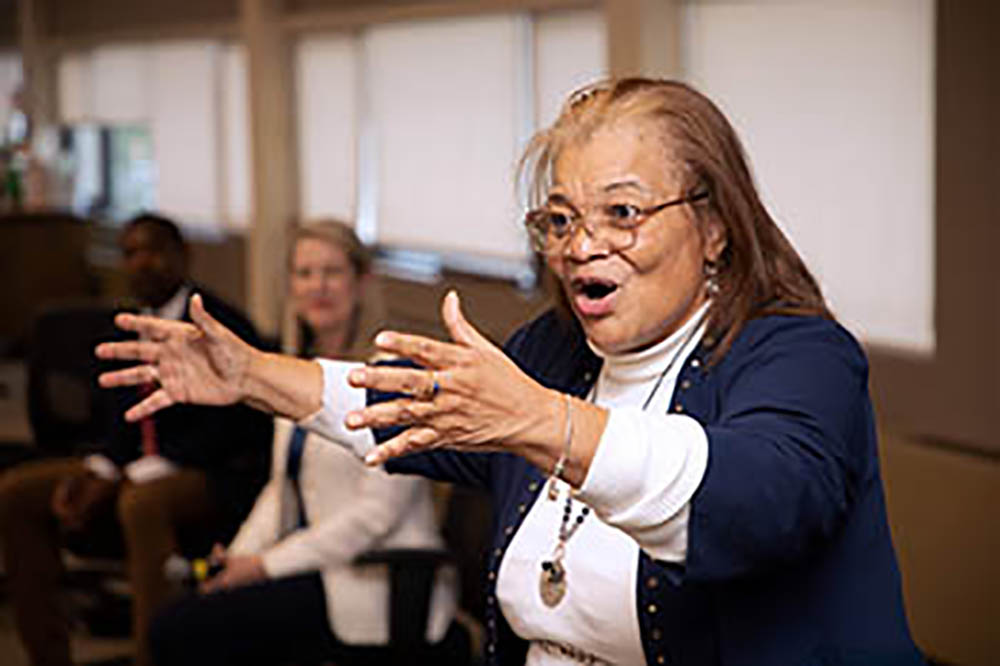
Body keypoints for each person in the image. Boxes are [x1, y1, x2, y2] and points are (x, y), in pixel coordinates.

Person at [96, 80, 924, 666]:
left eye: (622, 214)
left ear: (713, 228)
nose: (581, 245)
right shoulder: (558, 350)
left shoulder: (799, 355)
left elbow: (755, 503)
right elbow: (417, 406)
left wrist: (540, 421)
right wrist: (253, 375)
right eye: (561, 219)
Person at [148, 220, 460, 665]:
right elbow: (281, 488)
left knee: (179, 632)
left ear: (361, 282)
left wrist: (263, 567)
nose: (319, 287)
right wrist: (238, 557)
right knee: (190, 613)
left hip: (373, 582)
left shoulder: (393, 376)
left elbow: (374, 518)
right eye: (305, 274)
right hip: (310, 568)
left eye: (332, 273)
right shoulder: (293, 371)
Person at [0, 213, 272, 666]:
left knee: (140, 503)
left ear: (184, 257)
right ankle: (47, 654)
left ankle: (153, 655)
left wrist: (130, 476)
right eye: (131, 253)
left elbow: (231, 428)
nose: (142, 263)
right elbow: (116, 420)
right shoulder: (124, 325)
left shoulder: (218, 325)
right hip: (134, 466)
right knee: (16, 493)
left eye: (154, 251)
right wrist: (101, 469)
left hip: (209, 470)